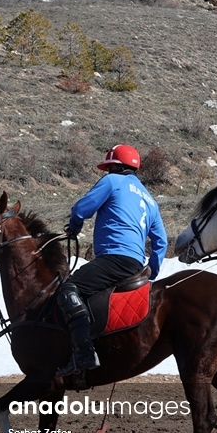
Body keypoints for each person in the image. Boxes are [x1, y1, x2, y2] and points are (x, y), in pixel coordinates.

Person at [56, 144, 167, 377]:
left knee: (69, 289)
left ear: (116, 166)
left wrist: (74, 228)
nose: (107, 172)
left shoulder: (112, 182)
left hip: (114, 258)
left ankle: (84, 354)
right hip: (136, 266)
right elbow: (161, 243)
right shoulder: (149, 199)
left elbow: (81, 209)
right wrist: (152, 273)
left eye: (109, 167)